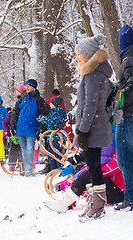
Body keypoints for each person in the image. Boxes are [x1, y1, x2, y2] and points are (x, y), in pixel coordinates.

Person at [74, 34, 113, 222]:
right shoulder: (96, 73)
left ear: (88, 55)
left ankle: (97, 206)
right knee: (93, 165)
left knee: (94, 167)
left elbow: (90, 105)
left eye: (79, 54)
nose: (76, 57)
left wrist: (82, 130)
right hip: (95, 125)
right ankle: (96, 204)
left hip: (92, 128)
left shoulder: (92, 75)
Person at [44, 147, 124, 214]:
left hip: (122, 194)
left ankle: (64, 201)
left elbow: (113, 167)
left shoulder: (124, 151)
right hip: (119, 190)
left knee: (89, 175)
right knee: (88, 174)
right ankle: (66, 200)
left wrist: (93, 171)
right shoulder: (123, 148)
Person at [10, 79, 49, 177]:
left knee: (30, 149)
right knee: (23, 149)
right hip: (21, 128)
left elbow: (44, 115)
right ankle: (26, 168)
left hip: (32, 129)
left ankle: (29, 169)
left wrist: (41, 128)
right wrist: (13, 125)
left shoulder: (39, 100)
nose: (26, 88)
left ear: (34, 87)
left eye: (29, 86)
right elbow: (15, 112)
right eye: (26, 86)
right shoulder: (22, 99)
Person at [115, 24, 133, 211]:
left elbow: (131, 87)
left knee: (125, 159)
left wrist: (119, 99)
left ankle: (130, 198)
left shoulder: (129, 59)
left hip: (127, 116)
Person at [3, 84, 25, 172]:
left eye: (17, 91)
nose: (16, 93)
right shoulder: (19, 101)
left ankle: (20, 166)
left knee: (19, 150)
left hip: (20, 129)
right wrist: (8, 131)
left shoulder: (23, 99)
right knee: (15, 149)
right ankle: (14, 165)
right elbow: (4, 122)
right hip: (16, 131)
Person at [41, 96, 67, 171]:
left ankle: (59, 169)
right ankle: (53, 170)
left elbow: (53, 122)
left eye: (51, 103)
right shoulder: (54, 112)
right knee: (51, 155)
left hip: (56, 137)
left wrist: (44, 120)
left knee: (56, 154)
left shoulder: (58, 112)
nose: (50, 104)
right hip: (52, 137)